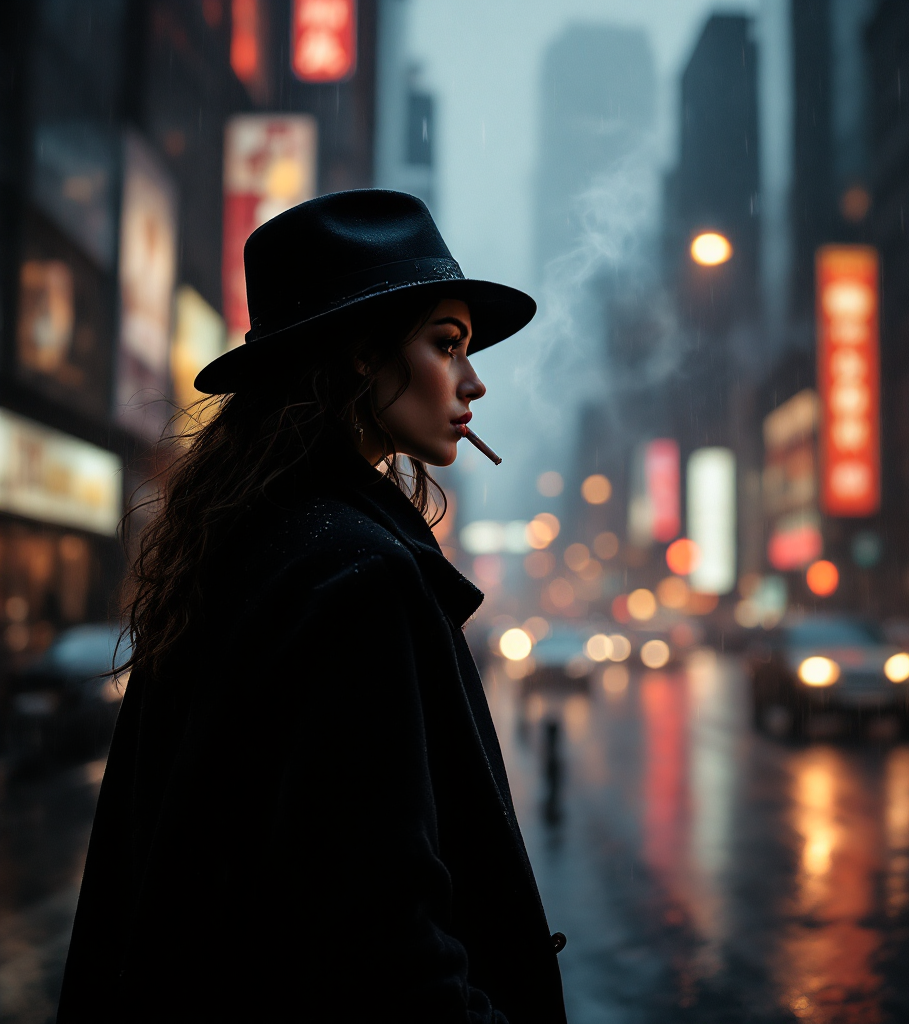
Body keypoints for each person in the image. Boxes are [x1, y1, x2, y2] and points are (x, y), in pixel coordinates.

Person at [56, 191, 567, 1023]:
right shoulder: (357, 575)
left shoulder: (243, 543)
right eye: (446, 344)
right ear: (363, 354)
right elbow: (383, 942)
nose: (472, 380)